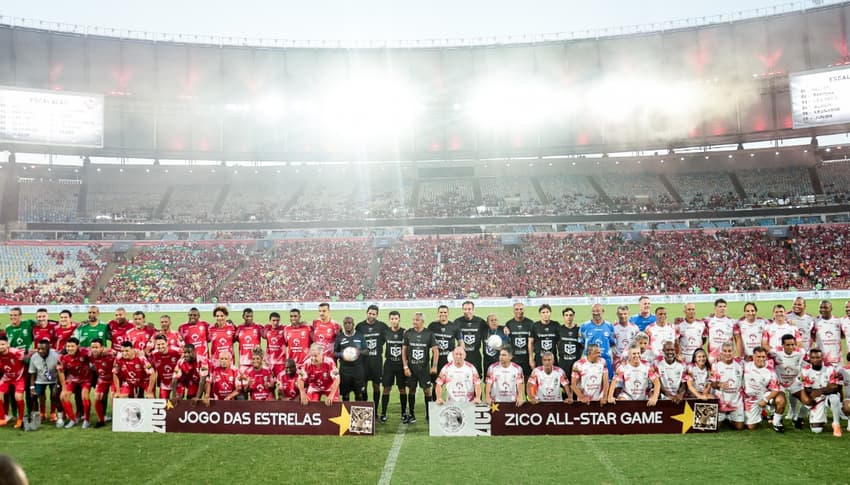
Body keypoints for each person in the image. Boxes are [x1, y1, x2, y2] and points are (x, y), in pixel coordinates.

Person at [402, 312, 438, 424]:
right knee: (411, 390)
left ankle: (429, 415)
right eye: (413, 320)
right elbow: (404, 350)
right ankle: (411, 415)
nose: (414, 322)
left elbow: (435, 350)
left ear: (422, 321)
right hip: (411, 368)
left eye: (417, 320)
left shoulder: (429, 333)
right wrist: (405, 366)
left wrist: (434, 366)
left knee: (427, 391)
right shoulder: (408, 333)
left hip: (424, 369)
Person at [797, 348, 843, 436]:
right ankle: (800, 417)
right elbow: (808, 390)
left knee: (835, 398)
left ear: (822, 357)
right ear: (809, 358)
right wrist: (826, 388)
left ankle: (836, 424)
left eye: (818, 357)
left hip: (828, 395)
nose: (815, 360)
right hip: (816, 398)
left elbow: (834, 387)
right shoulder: (805, 371)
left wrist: (819, 391)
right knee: (816, 430)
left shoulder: (830, 368)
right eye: (813, 358)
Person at [742, 347, 784, 432]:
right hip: (750, 399)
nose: (761, 359)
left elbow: (775, 389)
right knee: (751, 427)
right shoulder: (745, 366)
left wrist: (765, 400)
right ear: (753, 357)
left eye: (763, 357)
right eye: (758, 356)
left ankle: (776, 423)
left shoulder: (770, 371)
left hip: (763, 395)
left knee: (781, 400)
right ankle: (760, 413)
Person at [355, 304, 388, 407]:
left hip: (376, 362)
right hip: (363, 362)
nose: (371, 316)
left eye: (374, 314)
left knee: (376, 386)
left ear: (377, 315)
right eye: (370, 313)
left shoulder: (382, 326)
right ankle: (366, 408)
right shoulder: (360, 326)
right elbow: (356, 342)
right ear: (367, 313)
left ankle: (375, 409)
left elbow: (386, 339)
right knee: (363, 386)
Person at [773, 333, 807, 429]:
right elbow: (768, 365)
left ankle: (798, 418)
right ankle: (776, 422)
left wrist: (804, 375)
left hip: (793, 381)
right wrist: (774, 379)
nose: (791, 347)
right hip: (780, 383)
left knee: (807, 400)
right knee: (780, 401)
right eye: (787, 345)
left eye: (792, 344)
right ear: (782, 345)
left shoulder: (800, 353)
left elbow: (807, 365)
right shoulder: (775, 354)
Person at [57, 337, 92, 429]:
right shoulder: (62, 357)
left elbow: (95, 354)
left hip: (85, 379)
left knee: (84, 395)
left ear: (78, 346)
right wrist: (64, 388)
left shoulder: (85, 352)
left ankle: (87, 420)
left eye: (72, 346)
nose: (70, 348)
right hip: (72, 379)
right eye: (68, 346)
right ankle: (72, 419)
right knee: (63, 396)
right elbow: (61, 372)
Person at [710, 341, 745, 430]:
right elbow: (712, 384)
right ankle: (724, 416)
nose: (727, 353)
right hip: (721, 402)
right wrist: (719, 384)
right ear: (721, 352)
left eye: (730, 351)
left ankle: (729, 417)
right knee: (715, 428)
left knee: (739, 427)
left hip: (736, 401)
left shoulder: (741, 364)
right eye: (725, 351)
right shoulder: (716, 365)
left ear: (734, 352)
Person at [379, 311, 407, 423]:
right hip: (389, 364)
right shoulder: (385, 332)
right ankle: (383, 413)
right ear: (389, 320)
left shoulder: (405, 332)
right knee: (386, 388)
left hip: (400, 364)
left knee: (402, 389)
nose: (394, 321)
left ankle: (404, 413)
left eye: (396, 318)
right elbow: (379, 344)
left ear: (399, 319)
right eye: (392, 319)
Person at [427, 305, 460, 400]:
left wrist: (459, 355)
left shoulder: (454, 326)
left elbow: (461, 342)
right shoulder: (432, 326)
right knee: (436, 383)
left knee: (452, 383)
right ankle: (435, 404)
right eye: (441, 312)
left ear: (448, 313)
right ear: (438, 313)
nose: (443, 314)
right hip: (436, 361)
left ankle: (452, 403)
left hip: (450, 361)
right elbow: (426, 339)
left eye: (445, 312)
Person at [579, 304, 616, 379]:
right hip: (589, 362)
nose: (596, 313)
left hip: (606, 360)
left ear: (603, 311)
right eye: (593, 311)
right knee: (590, 382)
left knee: (607, 382)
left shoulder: (609, 326)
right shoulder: (584, 326)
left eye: (598, 311)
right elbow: (582, 343)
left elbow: (612, 343)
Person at [334, 316, 366, 401]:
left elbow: (366, 351)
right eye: (345, 323)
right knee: (345, 395)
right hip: (345, 370)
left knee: (359, 394)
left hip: (358, 370)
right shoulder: (340, 337)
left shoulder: (359, 336)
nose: (347, 325)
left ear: (353, 324)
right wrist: (342, 354)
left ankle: (358, 410)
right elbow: (334, 353)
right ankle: (346, 410)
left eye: (349, 323)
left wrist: (359, 352)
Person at [28, 339, 60, 424]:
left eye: (43, 349)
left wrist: (57, 385)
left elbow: (60, 372)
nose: (40, 351)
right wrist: (32, 387)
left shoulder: (56, 356)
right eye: (38, 349)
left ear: (49, 348)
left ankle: (53, 413)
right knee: (39, 396)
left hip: (54, 379)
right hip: (40, 380)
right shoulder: (34, 357)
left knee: (54, 395)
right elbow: (32, 373)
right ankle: (42, 413)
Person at [0, 336, 27, 428]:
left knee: (18, 397)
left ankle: (20, 419)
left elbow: (28, 357)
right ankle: (2, 419)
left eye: (3, 344)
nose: (1, 347)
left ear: (8, 344)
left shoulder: (16, 353)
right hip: (7, 378)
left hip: (18, 378)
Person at [89, 338, 115, 428]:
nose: (94, 350)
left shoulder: (110, 354)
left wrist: (112, 351)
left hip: (114, 378)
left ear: (102, 348)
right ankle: (101, 420)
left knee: (113, 396)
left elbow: (120, 354)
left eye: (96, 347)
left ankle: (116, 419)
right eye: (93, 347)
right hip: (102, 379)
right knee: (97, 398)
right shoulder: (90, 355)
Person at [556, 307, 582, 397]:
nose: (569, 317)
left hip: (575, 364)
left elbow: (582, 346)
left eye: (570, 315)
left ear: (573, 316)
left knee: (576, 387)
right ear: (563, 316)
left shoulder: (578, 330)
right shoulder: (559, 329)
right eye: (566, 315)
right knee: (564, 387)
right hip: (563, 363)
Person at [505, 302, 534, 381]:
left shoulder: (530, 323)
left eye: (521, 309)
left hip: (527, 359)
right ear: (513, 311)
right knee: (514, 382)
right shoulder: (509, 323)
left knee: (529, 381)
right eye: (516, 309)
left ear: (524, 310)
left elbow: (532, 342)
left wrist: (531, 358)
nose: (519, 311)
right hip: (514, 359)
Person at [147, 335, 182, 399]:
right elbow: (151, 370)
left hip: (178, 382)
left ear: (167, 343)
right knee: (163, 402)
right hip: (164, 383)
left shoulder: (176, 351)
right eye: (158, 344)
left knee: (177, 402)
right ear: (155, 345)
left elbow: (186, 357)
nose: (160, 346)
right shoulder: (153, 354)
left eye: (162, 344)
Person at [529, 304, 559, 369]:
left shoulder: (556, 325)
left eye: (547, 312)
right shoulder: (535, 326)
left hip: (552, 359)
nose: (545, 314)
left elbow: (560, 341)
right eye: (543, 312)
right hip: (539, 359)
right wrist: (531, 358)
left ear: (550, 313)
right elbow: (530, 343)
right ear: (540, 314)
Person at [813, 300, 842, 366]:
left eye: (825, 307)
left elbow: (842, 335)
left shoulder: (838, 321)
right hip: (820, 359)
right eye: (821, 307)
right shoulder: (814, 321)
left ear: (831, 308)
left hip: (836, 359)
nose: (823, 310)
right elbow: (812, 336)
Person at [236, 308, 264, 373]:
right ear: (243, 316)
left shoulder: (258, 327)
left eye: (251, 316)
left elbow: (266, 336)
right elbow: (234, 339)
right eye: (247, 316)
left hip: (256, 361)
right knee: (244, 379)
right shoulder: (239, 328)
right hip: (243, 361)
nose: (249, 318)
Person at [263, 312, 287, 377]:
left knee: (281, 381)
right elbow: (263, 335)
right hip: (269, 362)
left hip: (281, 363)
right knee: (269, 381)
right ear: (270, 321)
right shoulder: (267, 329)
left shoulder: (284, 329)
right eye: (273, 320)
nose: (276, 323)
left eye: (277, 320)